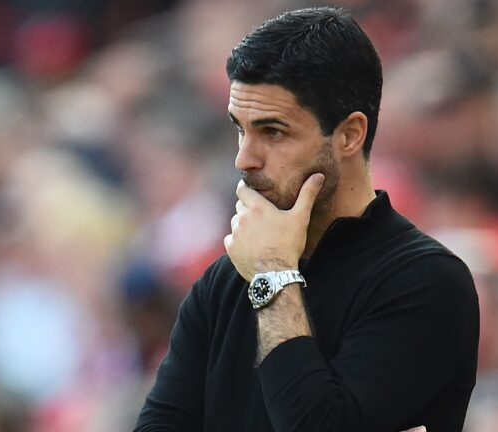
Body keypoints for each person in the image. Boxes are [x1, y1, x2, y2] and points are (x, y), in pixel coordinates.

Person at [133, 6, 479, 432]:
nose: (244, 158)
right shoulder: (224, 281)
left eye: (273, 132)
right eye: (241, 129)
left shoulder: (426, 281)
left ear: (349, 135)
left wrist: (273, 274)